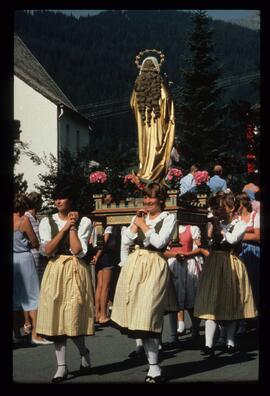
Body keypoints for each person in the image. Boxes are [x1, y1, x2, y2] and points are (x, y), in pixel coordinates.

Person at [110, 182, 178, 383]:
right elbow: (127, 239)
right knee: (137, 316)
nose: (147, 202)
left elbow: (158, 242)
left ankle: (155, 367)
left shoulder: (169, 218)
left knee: (148, 315)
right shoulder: (139, 217)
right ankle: (153, 365)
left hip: (155, 264)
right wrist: (136, 222)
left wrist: (144, 226)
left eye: (151, 198)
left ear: (161, 200)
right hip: (135, 264)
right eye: (145, 198)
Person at [36, 185, 94, 382]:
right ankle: (61, 366)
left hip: (76, 268)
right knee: (56, 317)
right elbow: (47, 250)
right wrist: (64, 227)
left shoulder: (84, 220)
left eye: (62, 198)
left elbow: (78, 250)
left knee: (74, 315)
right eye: (56, 198)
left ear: (71, 200)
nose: (58, 201)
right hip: (55, 269)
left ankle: (83, 351)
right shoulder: (47, 221)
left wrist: (73, 227)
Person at [193, 192, 257, 356]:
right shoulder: (218, 223)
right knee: (211, 300)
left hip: (231, 263)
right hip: (215, 262)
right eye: (217, 208)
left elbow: (232, 239)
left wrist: (219, 227)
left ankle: (230, 341)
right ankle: (208, 344)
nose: (218, 211)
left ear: (232, 208)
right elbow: (209, 240)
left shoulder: (240, 224)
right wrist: (213, 225)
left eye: (222, 208)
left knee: (230, 301)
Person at [131, 52, 175, 184]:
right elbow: (167, 102)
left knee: (144, 152)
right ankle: (155, 177)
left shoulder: (138, 88)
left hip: (144, 126)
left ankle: (144, 172)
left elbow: (132, 104)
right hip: (158, 126)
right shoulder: (160, 87)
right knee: (158, 149)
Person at [13, 192, 50, 345]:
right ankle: (35, 333)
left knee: (15, 298)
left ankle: (16, 334)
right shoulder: (24, 220)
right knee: (33, 296)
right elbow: (34, 242)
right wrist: (27, 243)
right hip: (24, 257)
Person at [164, 225, 209, 347]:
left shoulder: (193, 228)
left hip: (189, 264)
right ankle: (174, 335)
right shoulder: (169, 228)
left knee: (192, 300)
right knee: (173, 301)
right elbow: (164, 249)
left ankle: (195, 331)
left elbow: (199, 247)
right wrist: (174, 255)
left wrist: (187, 254)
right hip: (174, 264)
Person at [91, 193, 122, 324]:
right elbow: (104, 241)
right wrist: (98, 255)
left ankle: (97, 313)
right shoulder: (107, 223)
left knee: (100, 285)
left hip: (98, 255)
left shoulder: (96, 222)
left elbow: (91, 240)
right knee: (106, 287)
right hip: (106, 255)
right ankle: (103, 314)